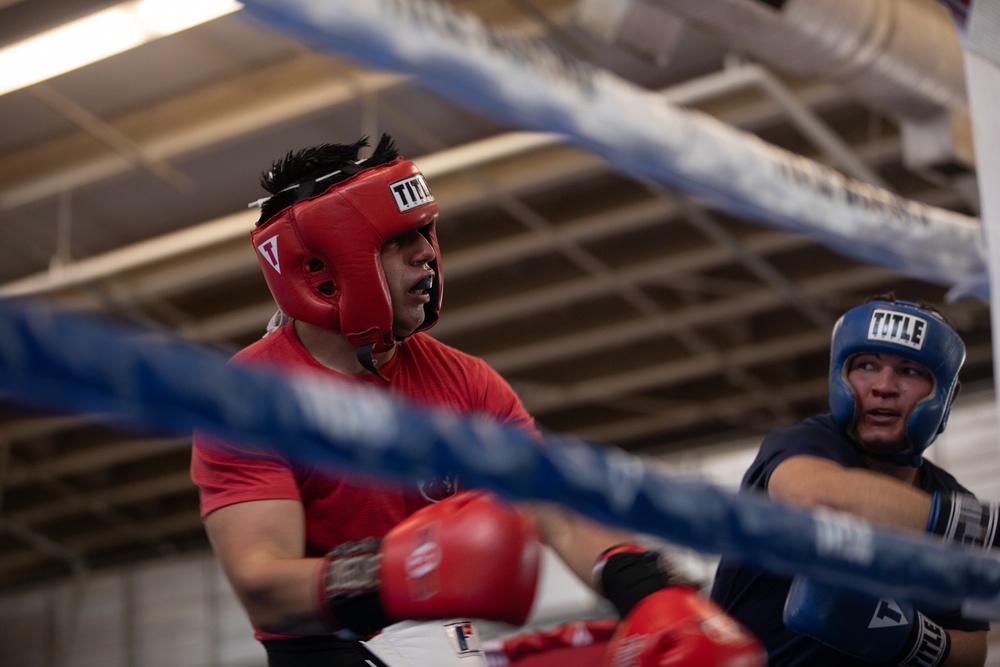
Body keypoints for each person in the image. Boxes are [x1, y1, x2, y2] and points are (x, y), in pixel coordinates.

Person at [190, 134, 765, 667]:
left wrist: (645, 591)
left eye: (425, 232)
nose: (425, 255)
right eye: (397, 241)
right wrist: (398, 572)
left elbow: (555, 512)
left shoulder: (465, 382)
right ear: (320, 270)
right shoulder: (248, 398)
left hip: (450, 647)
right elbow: (263, 584)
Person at [710, 294, 991, 667]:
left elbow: (974, 648)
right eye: (867, 366)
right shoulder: (804, 445)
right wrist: (982, 527)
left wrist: (911, 640)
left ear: (947, 394)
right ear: (839, 374)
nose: (883, 387)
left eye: (909, 372)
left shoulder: (953, 497)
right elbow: (816, 495)